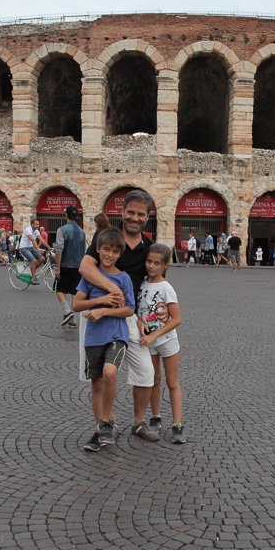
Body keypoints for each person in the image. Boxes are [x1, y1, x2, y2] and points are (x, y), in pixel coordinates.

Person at [77, 190, 165, 445]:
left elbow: (155, 282)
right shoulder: (107, 239)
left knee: (146, 372)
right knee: (99, 378)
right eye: (131, 212)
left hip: (129, 316)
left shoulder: (149, 247)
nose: (135, 218)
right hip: (97, 315)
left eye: (140, 214)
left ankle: (138, 422)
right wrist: (112, 291)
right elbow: (85, 267)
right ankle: (107, 424)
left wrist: (160, 310)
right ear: (122, 212)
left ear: (148, 217)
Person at [74, 228, 135, 452]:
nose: (109, 255)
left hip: (116, 335)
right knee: (97, 383)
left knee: (110, 372)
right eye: (106, 250)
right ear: (97, 249)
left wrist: (104, 311)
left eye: (115, 251)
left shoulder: (123, 278)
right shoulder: (90, 277)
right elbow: (77, 305)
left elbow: (129, 310)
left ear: (120, 254)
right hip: (93, 338)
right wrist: (101, 301)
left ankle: (107, 422)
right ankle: (100, 428)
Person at [137, 243, 185, 444]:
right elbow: (138, 311)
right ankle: (155, 416)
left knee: (172, 382)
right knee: (154, 379)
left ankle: (177, 424)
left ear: (166, 265)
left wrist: (155, 335)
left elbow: (176, 319)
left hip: (166, 340)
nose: (151, 266)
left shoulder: (166, 288)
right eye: (149, 261)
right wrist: (139, 322)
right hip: (149, 340)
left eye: (157, 263)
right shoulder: (140, 283)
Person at [54, 205, 86, 327]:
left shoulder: (62, 230)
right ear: (77, 216)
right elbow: (83, 250)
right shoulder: (82, 232)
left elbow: (59, 249)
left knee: (60, 290)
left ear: (66, 215)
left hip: (66, 265)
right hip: (78, 266)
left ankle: (68, 312)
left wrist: (58, 268)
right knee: (74, 292)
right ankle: (73, 320)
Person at [18, 219, 49, 284]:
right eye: (36, 224)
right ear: (32, 225)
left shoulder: (36, 231)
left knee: (42, 259)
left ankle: (32, 271)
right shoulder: (28, 230)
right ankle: (33, 278)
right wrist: (38, 249)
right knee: (34, 261)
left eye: (38, 224)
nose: (38, 225)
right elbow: (33, 240)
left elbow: (42, 240)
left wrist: (49, 247)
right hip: (24, 248)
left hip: (31, 247)